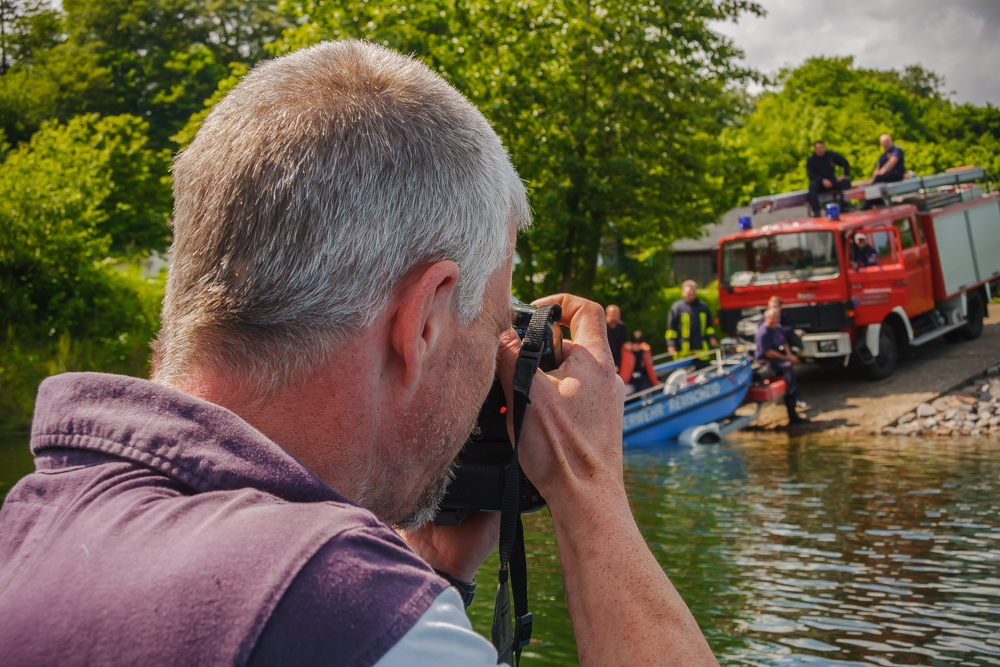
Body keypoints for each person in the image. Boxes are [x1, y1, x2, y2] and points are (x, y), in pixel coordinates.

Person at [0, 41, 719, 667]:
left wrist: (431, 574)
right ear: (425, 323)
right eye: (493, 322)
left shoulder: (30, 530)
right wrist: (589, 486)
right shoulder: (334, 607)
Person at [755, 307, 809, 425]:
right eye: (773, 318)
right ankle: (793, 393)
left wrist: (790, 355)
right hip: (766, 360)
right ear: (767, 318)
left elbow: (784, 342)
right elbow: (768, 353)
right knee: (787, 366)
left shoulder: (778, 327)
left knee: (788, 366)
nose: (775, 320)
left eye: (777, 318)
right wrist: (787, 358)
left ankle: (793, 402)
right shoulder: (763, 333)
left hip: (778, 357)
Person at [667, 280, 717, 363]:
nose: (691, 293)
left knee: (703, 373)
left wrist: (712, 337)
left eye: (693, 290)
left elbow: (709, 326)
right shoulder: (677, 308)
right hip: (683, 351)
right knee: (684, 374)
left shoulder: (703, 307)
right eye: (689, 291)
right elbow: (671, 329)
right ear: (683, 292)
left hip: (700, 350)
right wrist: (671, 344)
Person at [806, 140, 852, 217]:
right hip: (819, 183)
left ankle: (844, 207)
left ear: (824, 147)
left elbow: (845, 163)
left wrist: (845, 175)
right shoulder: (811, 160)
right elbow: (810, 174)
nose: (820, 150)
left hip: (832, 180)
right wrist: (822, 180)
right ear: (815, 149)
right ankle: (816, 211)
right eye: (818, 148)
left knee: (846, 182)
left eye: (822, 147)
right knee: (812, 186)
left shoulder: (831, 155)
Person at [605, 304, 627, 371]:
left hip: (618, 358)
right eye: (612, 316)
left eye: (617, 316)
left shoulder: (621, 326)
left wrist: (617, 364)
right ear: (606, 316)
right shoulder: (602, 327)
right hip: (605, 357)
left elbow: (624, 345)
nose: (615, 318)